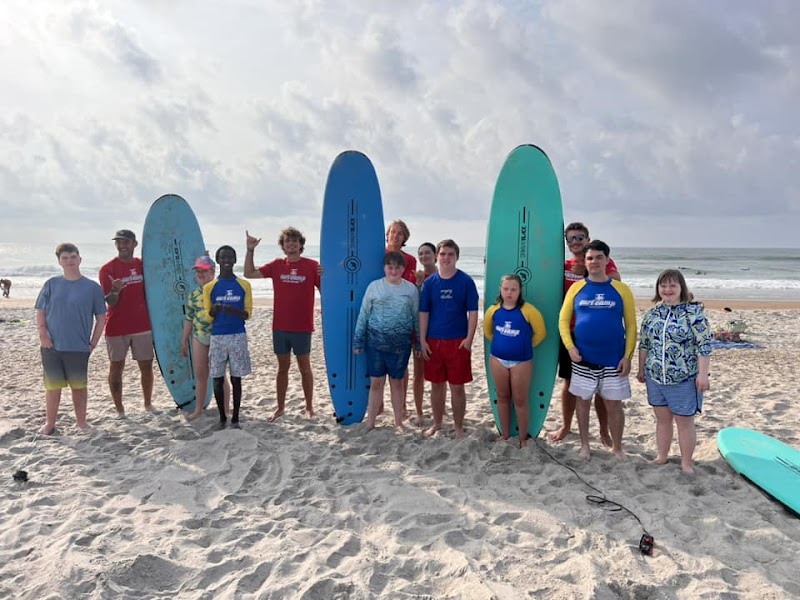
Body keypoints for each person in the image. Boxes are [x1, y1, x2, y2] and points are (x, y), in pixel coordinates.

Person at [558, 240, 636, 460]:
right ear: (585, 261)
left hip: (613, 358)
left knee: (613, 404)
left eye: (598, 257)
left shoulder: (621, 289)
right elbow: (563, 321)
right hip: (583, 357)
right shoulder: (577, 288)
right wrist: (570, 347)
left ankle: (617, 447)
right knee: (583, 403)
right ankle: (585, 446)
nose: (593, 262)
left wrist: (627, 356)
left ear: (607, 260)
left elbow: (631, 325)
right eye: (589, 258)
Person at [550, 222, 621, 445]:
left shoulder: (599, 262)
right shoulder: (563, 265)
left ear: (588, 239)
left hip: (598, 335)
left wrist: (587, 273)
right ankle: (566, 426)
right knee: (569, 382)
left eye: (580, 237)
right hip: (570, 334)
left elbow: (618, 283)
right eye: (570, 239)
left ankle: (603, 432)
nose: (575, 242)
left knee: (601, 387)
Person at [637, 269, 712, 474]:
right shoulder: (652, 314)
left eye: (672, 285)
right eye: (663, 285)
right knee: (662, 419)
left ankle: (686, 462)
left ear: (681, 287)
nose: (667, 290)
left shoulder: (693, 313)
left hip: (684, 378)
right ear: (658, 289)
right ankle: (662, 456)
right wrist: (641, 368)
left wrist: (703, 374)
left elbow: (704, 345)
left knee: (684, 422)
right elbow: (644, 344)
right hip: (655, 377)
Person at [244, 227, 320, 421]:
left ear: (301, 244)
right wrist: (250, 250)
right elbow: (249, 273)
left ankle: (309, 407)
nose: (291, 244)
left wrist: (328, 272)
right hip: (280, 327)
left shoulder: (312, 266)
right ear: (283, 246)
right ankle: (280, 407)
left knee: (305, 368)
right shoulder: (277, 265)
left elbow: (327, 290)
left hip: (302, 327)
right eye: (287, 241)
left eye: (295, 241)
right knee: (282, 368)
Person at [35, 243, 106, 434]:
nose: (69, 261)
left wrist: (93, 343)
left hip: (78, 346)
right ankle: (50, 423)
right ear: (59, 262)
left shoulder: (92, 288)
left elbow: (101, 318)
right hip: (51, 346)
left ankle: (81, 422)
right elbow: (40, 310)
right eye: (65, 258)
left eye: (73, 257)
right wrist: (42, 333)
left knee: (79, 387)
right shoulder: (51, 284)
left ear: (80, 259)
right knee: (53, 387)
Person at [353, 251, 420, 430]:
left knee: (397, 384)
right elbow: (364, 314)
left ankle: (398, 421)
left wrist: (419, 341)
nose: (393, 271)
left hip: (400, 347)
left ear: (403, 269)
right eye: (390, 267)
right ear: (384, 268)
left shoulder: (410, 290)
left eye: (397, 267)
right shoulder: (374, 287)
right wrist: (358, 340)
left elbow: (416, 318)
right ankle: (371, 422)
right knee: (376, 383)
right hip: (375, 345)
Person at [419, 239, 479, 438]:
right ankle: (437, 423)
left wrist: (469, 338)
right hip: (434, 341)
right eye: (443, 254)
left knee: (457, 387)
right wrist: (423, 339)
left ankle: (458, 427)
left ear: (457, 257)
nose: (446, 258)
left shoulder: (466, 282)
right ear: (437, 256)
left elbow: (473, 312)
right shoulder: (430, 283)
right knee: (436, 385)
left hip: (458, 341)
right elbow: (424, 313)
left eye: (450, 254)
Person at [483, 274, 546, 448]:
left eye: (513, 289)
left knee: (520, 399)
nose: (509, 293)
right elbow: (488, 332)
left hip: (522, 361)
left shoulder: (528, 310)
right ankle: (504, 434)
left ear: (519, 291)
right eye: (506, 289)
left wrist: (524, 345)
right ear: (501, 290)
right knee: (502, 397)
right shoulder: (493, 310)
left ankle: (523, 438)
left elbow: (541, 333)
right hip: (498, 359)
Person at [99, 229, 154, 416]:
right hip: (117, 327)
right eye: (119, 242)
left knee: (146, 366)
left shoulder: (142, 265)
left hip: (142, 325)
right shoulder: (107, 269)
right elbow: (111, 302)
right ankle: (120, 409)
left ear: (134, 244)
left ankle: (147, 403)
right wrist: (115, 291)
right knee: (116, 367)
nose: (122, 245)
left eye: (126, 242)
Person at [203, 245, 252, 429]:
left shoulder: (244, 285)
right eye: (223, 257)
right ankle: (222, 417)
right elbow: (207, 317)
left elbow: (248, 314)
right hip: (218, 336)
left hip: (238, 335)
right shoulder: (209, 287)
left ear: (235, 260)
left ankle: (236, 418)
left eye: (230, 257)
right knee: (217, 377)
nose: (226, 261)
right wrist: (213, 311)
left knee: (236, 378)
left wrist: (235, 311)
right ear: (217, 260)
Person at [181, 254, 231, 421]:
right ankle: (198, 409)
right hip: (199, 337)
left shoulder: (221, 290)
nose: (200, 275)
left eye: (203, 271)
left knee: (220, 375)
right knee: (201, 375)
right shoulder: (194, 295)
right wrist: (184, 340)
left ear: (212, 271)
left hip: (219, 338)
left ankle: (226, 409)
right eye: (197, 271)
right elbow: (189, 319)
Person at [412, 242, 437, 425]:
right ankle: (419, 412)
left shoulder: (444, 275)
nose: (424, 256)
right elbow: (417, 307)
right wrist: (419, 285)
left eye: (427, 253)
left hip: (440, 332)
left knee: (439, 377)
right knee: (418, 374)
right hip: (420, 332)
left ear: (435, 254)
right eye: (421, 253)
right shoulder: (418, 277)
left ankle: (439, 412)